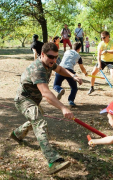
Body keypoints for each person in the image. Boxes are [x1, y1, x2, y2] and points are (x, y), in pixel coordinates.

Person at [10, 42, 83, 174]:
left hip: (33, 100)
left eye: (56, 57)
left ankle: (17, 134)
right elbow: (46, 93)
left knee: (36, 118)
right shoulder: (37, 69)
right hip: (24, 100)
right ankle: (53, 161)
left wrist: (72, 76)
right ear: (42, 54)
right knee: (39, 122)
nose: (54, 60)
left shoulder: (49, 62)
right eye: (51, 57)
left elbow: (59, 69)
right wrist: (63, 108)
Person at [53, 42, 87, 107]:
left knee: (56, 85)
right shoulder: (78, 56)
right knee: (74, 88)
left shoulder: (67, 52)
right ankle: (71, 101)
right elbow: (82, 68)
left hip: (60, 69)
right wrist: (85, 73)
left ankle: (60, 90)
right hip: (70, 72)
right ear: (79, 49)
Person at [88, 31, 113, 95]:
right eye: (101, 38)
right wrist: (99, 64)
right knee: (93, 73)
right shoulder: (101, 44)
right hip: (102, 61)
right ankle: (92, 87)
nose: (103, 39)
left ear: (108, 36)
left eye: (104, 37)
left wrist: (106, 51)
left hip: (111, 61)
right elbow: (99, 55)